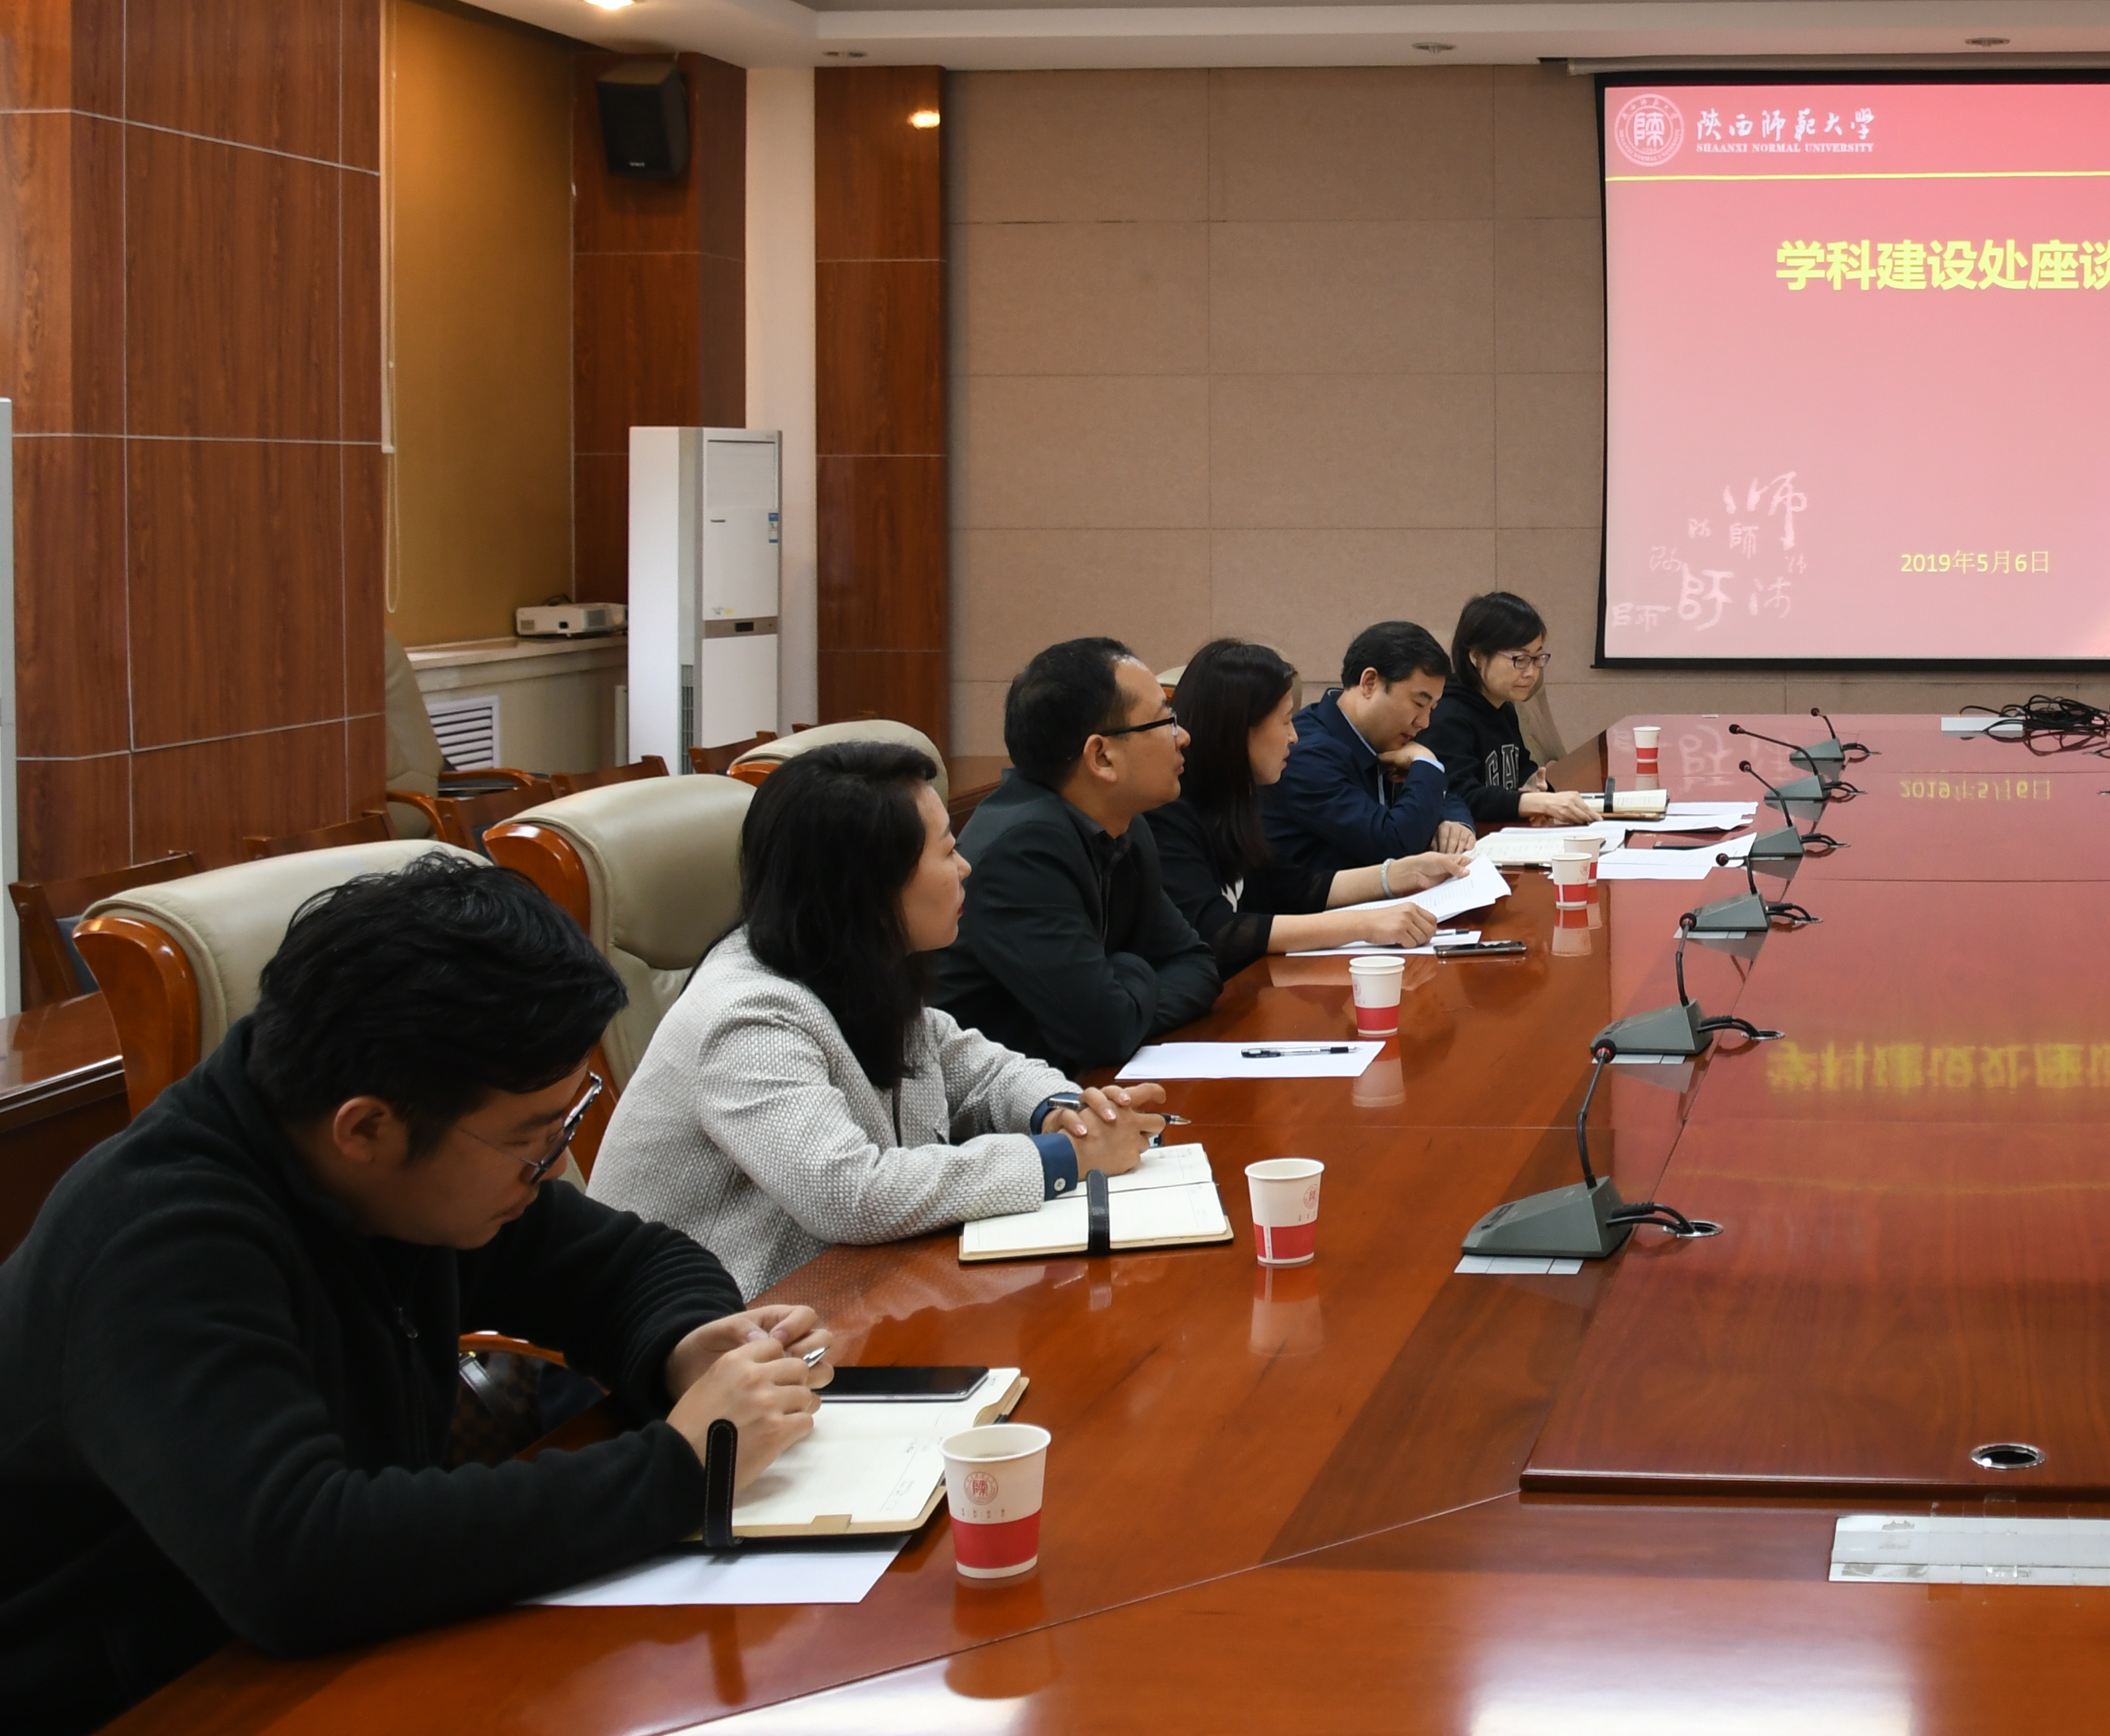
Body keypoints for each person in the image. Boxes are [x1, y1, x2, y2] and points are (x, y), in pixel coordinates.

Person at [0, 855, 831, 1733]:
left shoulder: (402, 1176)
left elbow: (630, 1263)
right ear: (367, 1127)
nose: (548, 1167)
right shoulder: (158, 1245)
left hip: (332, 1665)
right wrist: (679, 1469)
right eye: (530, 1140)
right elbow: (298, 1560)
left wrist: (686, 1342)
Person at [594, 741, 1169, 1297]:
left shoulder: (856, 962)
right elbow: (849, 1193)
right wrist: (1067, 1158)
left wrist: (1064, 1113)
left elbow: (979, 1072)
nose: (966, 867)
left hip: (849, 1291)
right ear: (870, 885)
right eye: (946, 852)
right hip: (725, 1326)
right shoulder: (748, 1015)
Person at [931, 635, 1221, 1073]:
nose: (1183, 737)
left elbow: (1196, 963)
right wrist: (1132, 971)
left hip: (1083, 1081)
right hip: (995, 1102)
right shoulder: (1021, 852)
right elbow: (1104, 1032)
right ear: (1101, 757)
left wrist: (1121, 984)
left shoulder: (1123, 823)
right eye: (1166, 721)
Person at [1151, 640, 1475, 972]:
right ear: (1238, 727)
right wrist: (1364, 925)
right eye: (1285, 721)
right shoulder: (1169, 811)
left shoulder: (1234, 798)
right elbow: (1217, 931)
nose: (1294, 737)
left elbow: (1293, 886)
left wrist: (1402, 874)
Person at [1265, 620, 1478, 870]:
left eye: (1432, 709)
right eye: (1419, 704)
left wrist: (1455, 822)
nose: (1424, 723)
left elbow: (1443, 795)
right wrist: (1427, 764)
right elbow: (1394, 845)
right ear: (1369, 683)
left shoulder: (1384, 734)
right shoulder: (1308, 754)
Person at [1422, 592, 1602, 829]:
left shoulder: (1504, 708)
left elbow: (1522, 766)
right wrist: (1530, 803)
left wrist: (1535, 787)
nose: (1531, 672)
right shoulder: (1448, 716)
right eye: (1520, 659)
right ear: (1476, 655)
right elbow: (1459, 795)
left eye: (1537, 658)